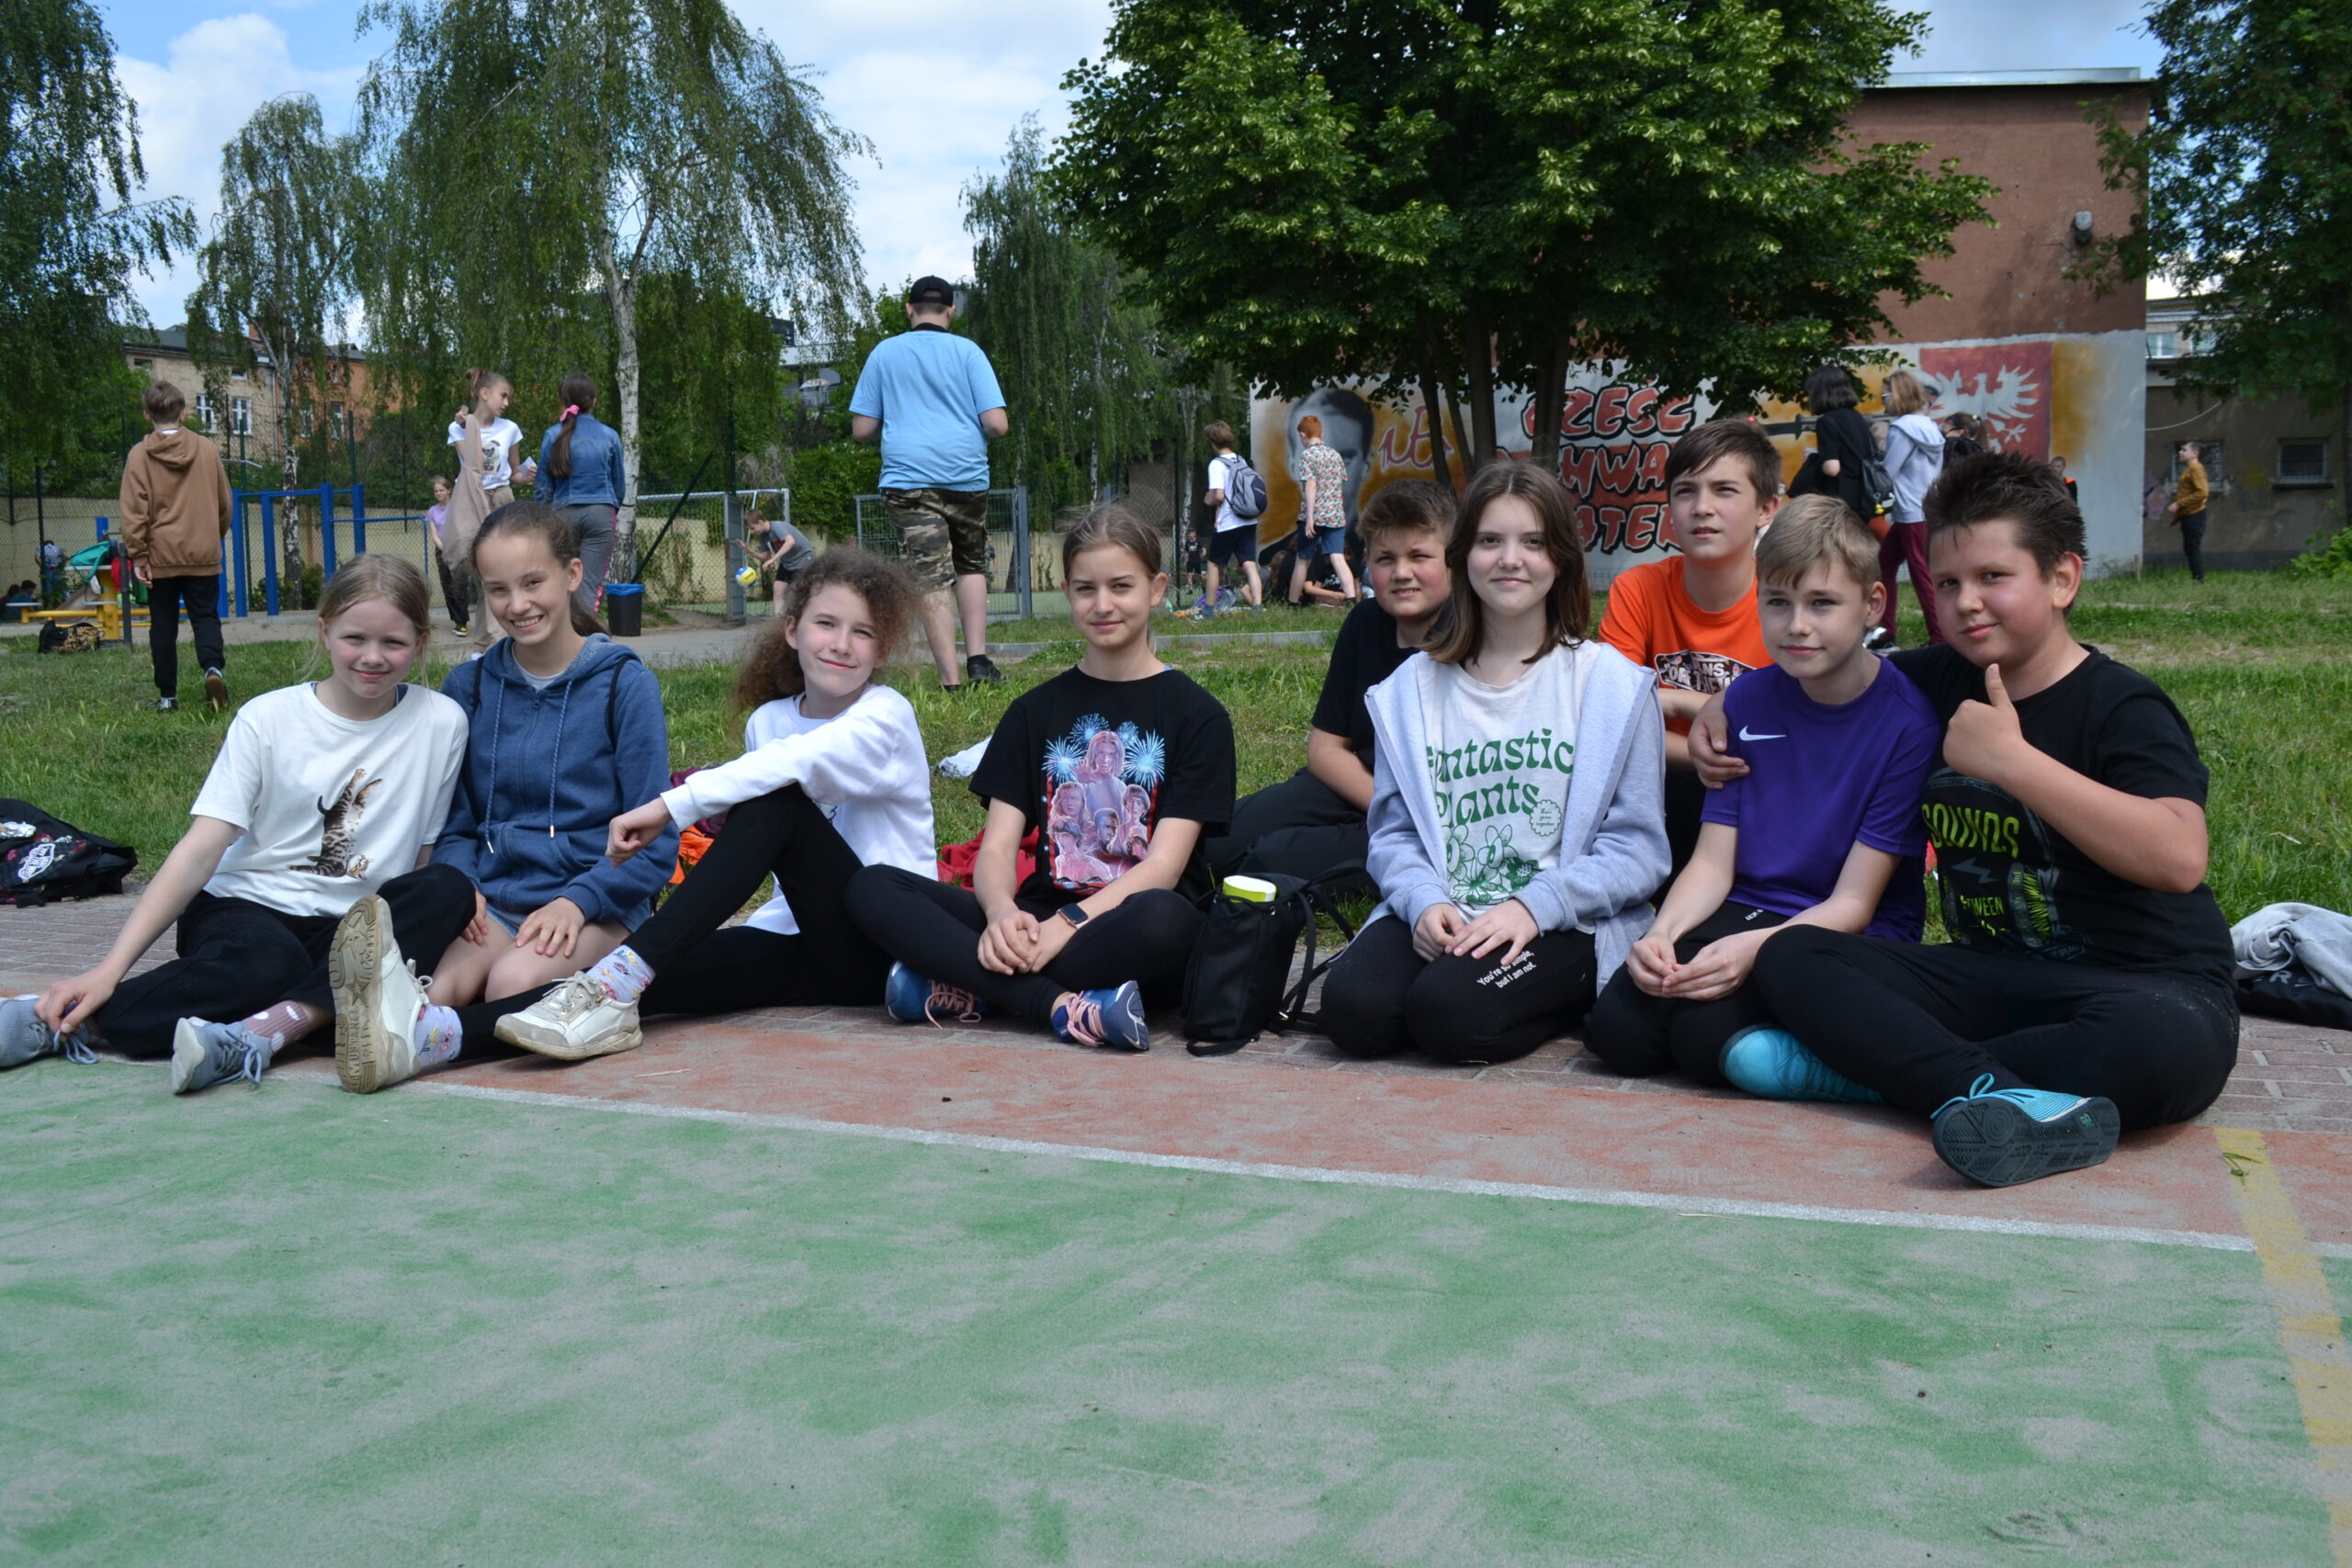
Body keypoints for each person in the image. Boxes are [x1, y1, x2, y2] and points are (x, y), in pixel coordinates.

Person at [1692, 454, 2240, 1187]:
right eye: (1948, 583)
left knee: (2164, 1047)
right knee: (1795, 954)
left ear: (2062, 578)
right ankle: (1980, 1087)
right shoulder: (1933, 677)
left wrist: (2013, 762)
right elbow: (1818, 666)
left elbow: (2179, 856)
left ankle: (1880, 1074)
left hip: (2142, 985)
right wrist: (1717, 706)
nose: (1966, 603)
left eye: (1992, 577)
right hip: (1989, 977)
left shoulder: (2121, 704)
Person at [335, 549, 933, 1078]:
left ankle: (622, 968)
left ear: (881, 649)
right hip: (800, 944)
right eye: (827, 624)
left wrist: (670, 806)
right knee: (636, 984)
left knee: (774, 802)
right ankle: (437, 1037)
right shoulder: (769, 721)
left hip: (880, 947)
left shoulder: (886, 716)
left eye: (863, 632)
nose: (841, 644)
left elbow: (799, 764)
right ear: (793, 629)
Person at [1, 557, 470, 1092]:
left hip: (351, 930)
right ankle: (67, 1021)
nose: (372, 657)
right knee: (272, 964)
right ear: (324, 631)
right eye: (354, 638)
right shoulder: (267, 718)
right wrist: (108, 971)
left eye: (394, 643)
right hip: (245, 911)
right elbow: (200, 849)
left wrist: (422, 929)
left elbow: (420, 856)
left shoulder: (442, 721)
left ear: (421, 641)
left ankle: (268, 1027)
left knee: (448, 887)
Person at [845, 504, 1236, 1052]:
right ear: (1065, 591)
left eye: (1121, 586)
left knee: (1164, 920)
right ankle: (1059, 1005)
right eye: (1086, 589)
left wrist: (1066, 926)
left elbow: (1163, 868)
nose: (1103, 605)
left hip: (1130, 927)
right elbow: (998, 849)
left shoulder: (1199, 716)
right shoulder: (1033, 711)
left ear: (1156, 589)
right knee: (873, 886)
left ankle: (973, 984)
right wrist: (1001, 915)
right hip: (1038, 915)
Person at [1316, 462, 1668, 1065]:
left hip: (1563, 918)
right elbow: (1394, 833)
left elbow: (1639, 849)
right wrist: (1422, 900)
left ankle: (1557, 996)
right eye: (1489, 541)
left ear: (1562, 559)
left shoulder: (1612, 686)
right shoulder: (1409, 692)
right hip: (1448, 909)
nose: (1510, 559)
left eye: (1533, 542)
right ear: (1463, 557)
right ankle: (1463, 987)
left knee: (1449, 1015)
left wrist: (1535, 906)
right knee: (1353, 1011)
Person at [1581, 497, 1939, 1088]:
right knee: (1620, 1030)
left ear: (1872, 604)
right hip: (1751, 903)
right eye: (1777, 602)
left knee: (1703, 1037)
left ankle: (1854, 1065)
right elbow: (1712, 863)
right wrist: (1662, 934)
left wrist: (1752, 950)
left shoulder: (1909, 725)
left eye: (1822, 603)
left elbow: (1854, 904)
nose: (1797, 624)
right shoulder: (1744, 701)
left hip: (1845, 930)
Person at [326, 501, 676, 1092]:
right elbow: (458, 822)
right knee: (440, 988)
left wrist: (580, 902)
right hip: (496, 900)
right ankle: (396, 1040)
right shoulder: (469, 687)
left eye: (533, 582)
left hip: (594, 902)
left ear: (572, 574)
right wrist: (464, 886)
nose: (517, 604)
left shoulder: (623, 682)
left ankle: (448, 1039)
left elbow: (655, 838)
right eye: (498, 589)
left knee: (510, 984)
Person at [1205, 479, 1453, 885]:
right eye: (1386, 558)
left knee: (1268, 861)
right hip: (1358, 788)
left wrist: (1398, 818)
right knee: (1217, 843)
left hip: (1431, 817)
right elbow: (1325, 749)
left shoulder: (1472, 636)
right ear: (1367, 562)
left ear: (1452, 560)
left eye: (1419, 556)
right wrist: (1382, 806)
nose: (1402, 572)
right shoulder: (1364, 623)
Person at [1599, 417, 1781, 875]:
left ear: (1766, 509)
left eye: (1724, 490)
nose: (1702, 507)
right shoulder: (1638, 589)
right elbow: (1607, 719)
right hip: (1661, 787)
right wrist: (1695, 731)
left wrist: (1663, 703)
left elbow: (1790, 734)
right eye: (1685, 491)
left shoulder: (1785, 601)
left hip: (1763, 789)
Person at [849, 276, 1010, 690]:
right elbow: (997, 424)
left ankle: (950, 682)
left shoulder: (884, 353)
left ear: (910, 308)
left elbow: (862, 429)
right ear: (950, 310)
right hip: (966, 476)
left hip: (909, 481)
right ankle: (978, 663)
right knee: (971, 564)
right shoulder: (969, 352)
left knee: (930, 578)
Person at [119, 380, 232, 714]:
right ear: (183, 413)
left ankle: (168, 695)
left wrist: (139, 554)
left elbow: (134, 510)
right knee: (206, 616)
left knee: (163, 624)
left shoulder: (139, 456)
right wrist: (212, 536)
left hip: (160, 555)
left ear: (147, 415)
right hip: (203, 551)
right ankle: (212, 669)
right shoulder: (207, 449)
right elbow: (224, 502)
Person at [447, 369, 536, 653]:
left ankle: (486, 646)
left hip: (501, 501)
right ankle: (491, 645)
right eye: (503, 395)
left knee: (502, 574)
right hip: (472, 502)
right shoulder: (458, 428)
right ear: (485, 394)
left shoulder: (510, 429)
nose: (506, 403)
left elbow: (513, 472)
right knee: (484, 575)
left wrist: (526, 475)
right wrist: (468, 425)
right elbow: (473, 465)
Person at [536, 373, 626, 612]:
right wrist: (608, 509)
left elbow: (543, 486)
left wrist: (544, 519)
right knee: (588, 585)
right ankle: (585, 632)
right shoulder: (610, 435)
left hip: (562, 515)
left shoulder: (552, 435)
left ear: (563, 402)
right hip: (600, 514)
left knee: (562, 580)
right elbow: (619, 486)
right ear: (593, 401)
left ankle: (561, 631)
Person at [1879, 368, 1946, 645]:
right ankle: (1884, 630)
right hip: (1925, 508)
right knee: (1884, 564)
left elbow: (1888, 471)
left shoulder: (1900, 429)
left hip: (1909, 511)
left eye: (1884, 395)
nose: (1883, 401)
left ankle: (1940, 637)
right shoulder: (1930, 427)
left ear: (1897, 395)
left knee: (1921, 574)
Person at [1790, 366, 1877, 525]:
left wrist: (1815, 459)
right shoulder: (1856, 417)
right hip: (1863, 497)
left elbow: (1832, 469)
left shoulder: (1827, 421)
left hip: (1840, 502)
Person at [1288, 413, 1359, 605]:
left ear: (1303, 435)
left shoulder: (1307, 455)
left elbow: (1310, 485)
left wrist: (1310, 517)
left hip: (1314, 516)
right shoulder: (1335, 455)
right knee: (1338, 557)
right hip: (1335, 515)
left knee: (1303, 560)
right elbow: (1339, 484)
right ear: (1321, 434)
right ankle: (1351, 599)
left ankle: (1293, 603)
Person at [1199, 422, 1264, 613]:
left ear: (1213, 442)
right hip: (1248, 519)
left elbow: (1219, 495)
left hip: (1229, 521)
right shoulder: (1239, 459)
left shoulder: (1216, 464)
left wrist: (1209, 500)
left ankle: (1208, 609)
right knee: (1249, 563)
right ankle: (1257, 606)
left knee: (1214, 564)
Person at [747, 506, 816, 615]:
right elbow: (765, 557)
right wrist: (749, 551)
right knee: (778, 590)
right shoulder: (763, 536)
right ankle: (778, 620)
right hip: (788, 562)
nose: (752, 532)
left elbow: (790, 542)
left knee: (798, 592)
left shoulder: (777, 527)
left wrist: (773, 560)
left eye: (752, 528)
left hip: (803, 558)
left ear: (760, 522)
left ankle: (803, 618)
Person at [425, 476, 468, 636]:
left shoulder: (457, 508)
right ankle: (456, 620)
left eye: (441, 490)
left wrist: (455, 548)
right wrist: (444, 548)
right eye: (436, 491)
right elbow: (434, 535)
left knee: (459, 585)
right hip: (442, 550)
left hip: (458, 549)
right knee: (447, 585)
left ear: (449, 490)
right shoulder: (432, 511)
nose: (439, 493)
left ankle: (462, 622)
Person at [2167, 441, 2210, 581]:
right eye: (2181, 450)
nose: (2180, 452)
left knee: (2192, 547)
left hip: (2194, 514)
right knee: (2190, 548)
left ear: (2194, 453)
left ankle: (2198, 580)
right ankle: (2197, 578)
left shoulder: (2196, 469)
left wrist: (2179, 504)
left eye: (2184, 450)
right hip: (2189, 514)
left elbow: (2203, 492)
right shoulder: (2190, 469)